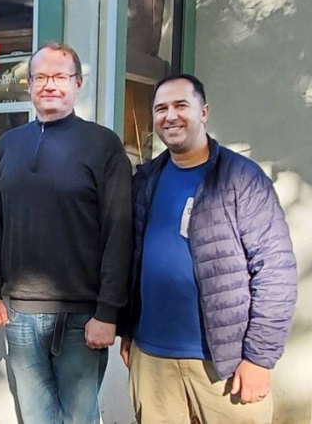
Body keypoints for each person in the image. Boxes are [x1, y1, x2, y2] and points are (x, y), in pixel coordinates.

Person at [118, 74, 298, 424]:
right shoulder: (146, 179)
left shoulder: (240, 179)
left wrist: (259, 358)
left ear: (204, 112)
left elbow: (276, 272)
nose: (170, 115)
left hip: (224, 366)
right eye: (161, 108)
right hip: (152, 360)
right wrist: (129, 329)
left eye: (181, 105)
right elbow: (133, 260)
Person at [0, 42, 133, 424]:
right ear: (29, 85)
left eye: (60, 76)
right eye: (41, 77)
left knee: (79, 419)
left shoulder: (103, 145)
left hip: (82, 318)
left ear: (77, 83)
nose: (50, 85)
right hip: (20, 314)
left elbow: (119, 231)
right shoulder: (9, 144)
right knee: (34, 418)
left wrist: (108, 311)